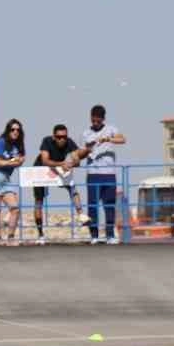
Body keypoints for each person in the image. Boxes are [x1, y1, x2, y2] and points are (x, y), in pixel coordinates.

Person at [78, 104, 126, 244]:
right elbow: (80, 153)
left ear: (103, 119)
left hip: (109, 173)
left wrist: (107, 139)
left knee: (109, 205)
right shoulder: (85, 133)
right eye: (93, 120)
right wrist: (88, 148)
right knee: (93, 205)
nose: (95, 123)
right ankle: (94, 235)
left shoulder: (111, 129)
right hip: (93, 173)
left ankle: (110, 235)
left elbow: (122, 139)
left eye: (98, 121)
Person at [32, 123, 83, 244]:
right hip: (42, 169)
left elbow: (77, 161)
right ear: (54, 137)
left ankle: (81, 214)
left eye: (64, 137)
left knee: (72, 187)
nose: (62, 139)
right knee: (39, 200)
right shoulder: (47, 141)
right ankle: (40, 234)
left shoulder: (70, 142)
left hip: (60, 168)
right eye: (59, 137)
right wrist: (62, 164)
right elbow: (45, 160)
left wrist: (72, 163)